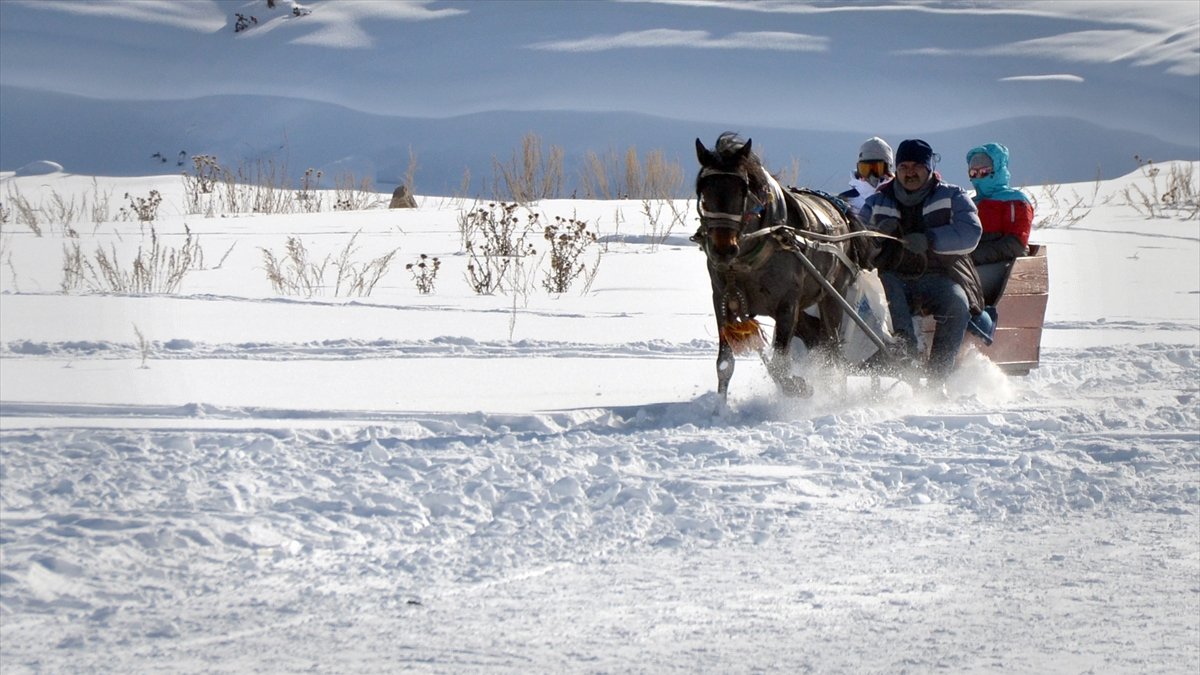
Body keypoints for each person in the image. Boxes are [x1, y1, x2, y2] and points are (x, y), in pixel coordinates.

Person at [859, 139, 984, 381]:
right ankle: (907, 358)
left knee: (957, 305)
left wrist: (930, 239)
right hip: (892, 277)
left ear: (929, 168)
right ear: (896, 170)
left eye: (917, 166)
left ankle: (938, 378)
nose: (910, 172)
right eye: (903, 167)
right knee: (886, 294)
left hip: (940, 276)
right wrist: (877, 236)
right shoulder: (876, 202)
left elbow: (971, 232)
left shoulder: (952, 195)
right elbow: (858, 241)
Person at [965, 143, 1034, 264]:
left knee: (960, 280)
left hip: (1005, 266)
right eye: (973, 173)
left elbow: (1015, 244)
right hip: (975, 263)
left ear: (997, 170)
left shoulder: (1015, 200)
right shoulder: (971, 203)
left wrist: (972, 257)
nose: (978, 177)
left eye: (984, 171)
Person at [838, 136, 894, 213]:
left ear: (888, 168)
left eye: (876, 169)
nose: (871, 175)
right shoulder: (845, 200)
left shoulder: (898, 197)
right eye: (865, 169)